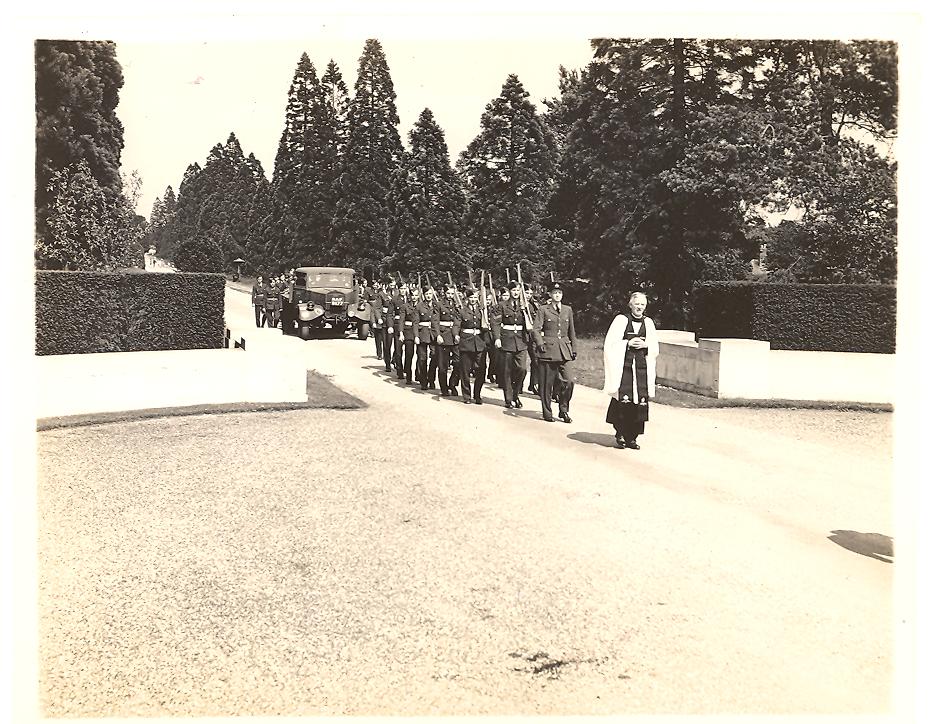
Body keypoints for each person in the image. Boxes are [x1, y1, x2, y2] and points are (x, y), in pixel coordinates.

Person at [602, 291, 659, 450]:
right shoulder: (621, 320)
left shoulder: (649, 323)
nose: (639, 307)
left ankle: (632, 437)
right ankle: (620, 433)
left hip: (641, 368)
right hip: (624, 367)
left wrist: (645, 345)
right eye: (637, 304)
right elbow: (610, 344)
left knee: (639, 400)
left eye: (642, 304)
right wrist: (627, 344)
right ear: (630, 304)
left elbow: (655, 347)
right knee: (623, 399)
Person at [532, 282, 577, 423]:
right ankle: (547, 412)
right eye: (555, 293)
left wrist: (574, 348)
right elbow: (536, 329)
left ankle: (563, 410)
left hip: (564, 349)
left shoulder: (567, 310)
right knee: (547, 384)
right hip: (548, 350)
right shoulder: (543, 309)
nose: (557, 295)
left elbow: (572, 331)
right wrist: (540, 344)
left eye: (560, 293)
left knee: (569, 381)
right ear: (550, 295)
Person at [491, 281, 529, 409]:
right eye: (513, 291)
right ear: (509, 292)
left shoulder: (525, 306)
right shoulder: (501, 306)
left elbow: (531, 323)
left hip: (521, 341)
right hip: (506, 340)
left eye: (518, 290)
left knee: (522, 369)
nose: (516, 293)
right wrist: (497, 338)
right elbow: (496, 323)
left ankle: (515, 394)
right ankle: (508, 399)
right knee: (506, 371)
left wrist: (526, 311)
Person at [454, 286, 489, 404]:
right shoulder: (462, 311)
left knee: (481, 370)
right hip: (466, 343)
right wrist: (456, 335)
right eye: (471, 297)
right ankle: (466, 395)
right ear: (467, 298)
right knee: (465, 371)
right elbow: (456, 325)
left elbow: (485, 325)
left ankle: (477, 394)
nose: (473, 299)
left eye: (475, 297)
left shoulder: (482, 310)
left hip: (479, 343)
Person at [434, 285, 460, 396]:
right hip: (443, 337)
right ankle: (444, 388)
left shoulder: (457, 305)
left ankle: (453, 384)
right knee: (442, 366)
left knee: (459, 363)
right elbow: (435, 321)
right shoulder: (439, 304)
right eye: (448, 293)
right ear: (444, 293)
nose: (450, 296)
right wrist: (438, 335)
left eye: (452, 293)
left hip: (455, 338)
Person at [412, 286, 440, 390]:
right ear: (423, 295)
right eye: (427, 294)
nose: (429, 296)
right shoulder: (419, 306)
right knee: (422, 358)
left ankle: (431, 378)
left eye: (430, 294)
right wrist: (416, 336)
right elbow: (415, 322)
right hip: (422, 334)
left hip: (434, 334)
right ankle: (423, 381)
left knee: (435, 357)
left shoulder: (436, 305)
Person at [396, 285, 420, 384]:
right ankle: (408, 376)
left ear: (418, 296)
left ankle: (418, 374)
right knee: (408, 354)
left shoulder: (421, 306)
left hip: (419, 331)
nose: (414, 297)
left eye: (416, 295)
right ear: (409, 296)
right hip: (408, 331)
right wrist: (401, 333)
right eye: (412, 295)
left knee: (417, 355)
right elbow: (401, 320)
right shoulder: (405, 306)